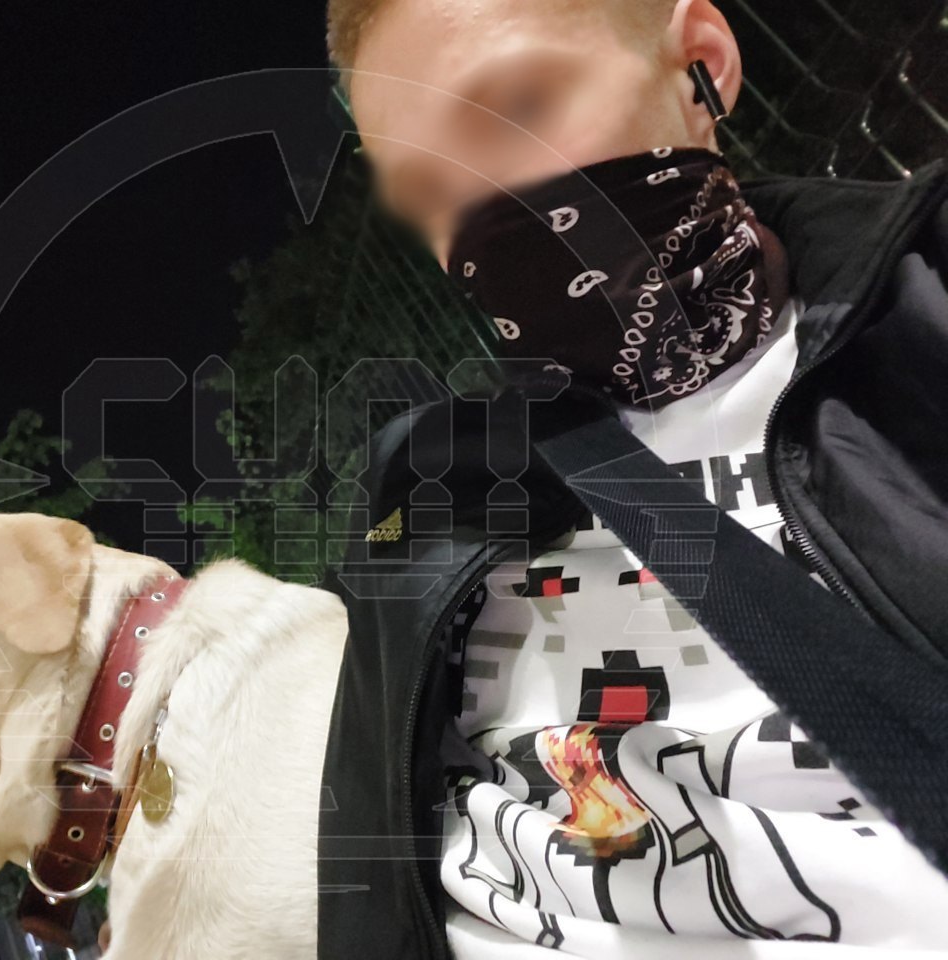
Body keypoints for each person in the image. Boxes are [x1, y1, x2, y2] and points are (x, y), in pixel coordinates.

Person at [314, 1, 948, 958]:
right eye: (427, 181)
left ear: (703, 66)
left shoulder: (924, 310)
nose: (482, 202)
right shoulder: (425, 479)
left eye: (516, 108)